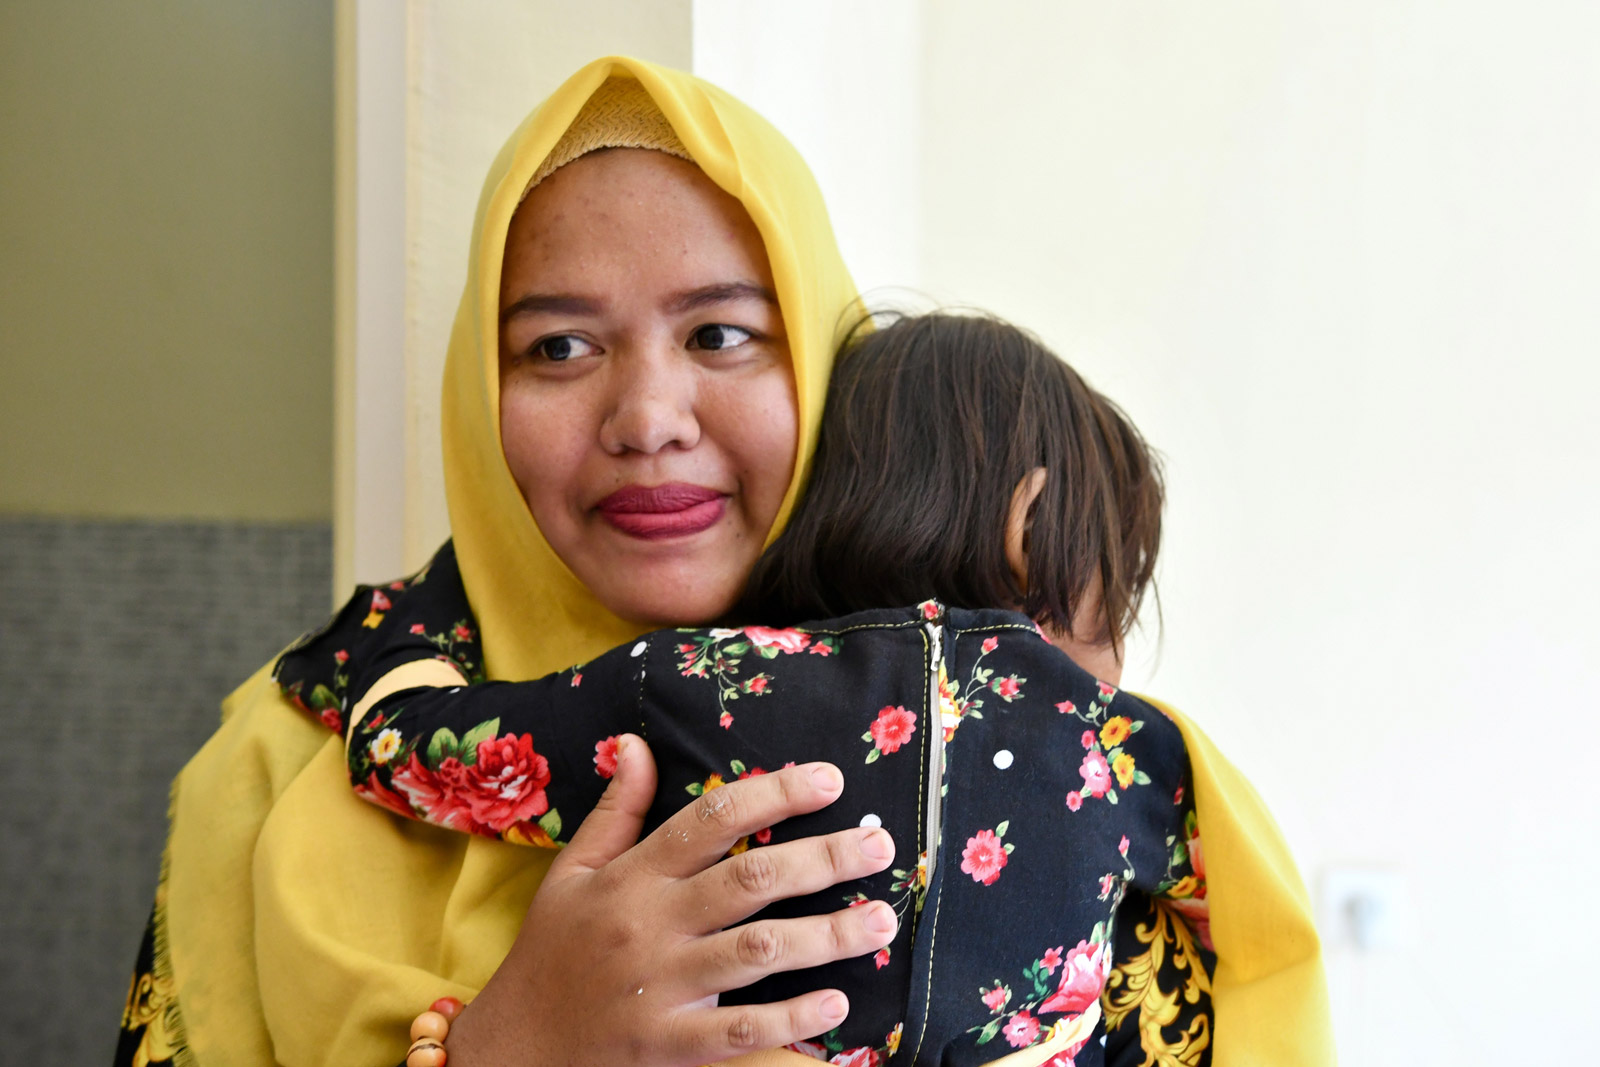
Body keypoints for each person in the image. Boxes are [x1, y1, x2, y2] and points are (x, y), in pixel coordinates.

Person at [116, 58, 1332, 1067]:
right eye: (557, 344)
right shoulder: (279, 768)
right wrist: (507, 1044)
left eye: (722, 333)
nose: (646, 415)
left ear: (823, 357)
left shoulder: (1093, 767)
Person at [279, 311, 1202, 1067]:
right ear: (1028, 527)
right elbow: (1233, 924)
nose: (1116, 652)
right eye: (1114, 592)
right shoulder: (1124, 754)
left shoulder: (690, 683)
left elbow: (405, 747)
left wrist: (424, 605)